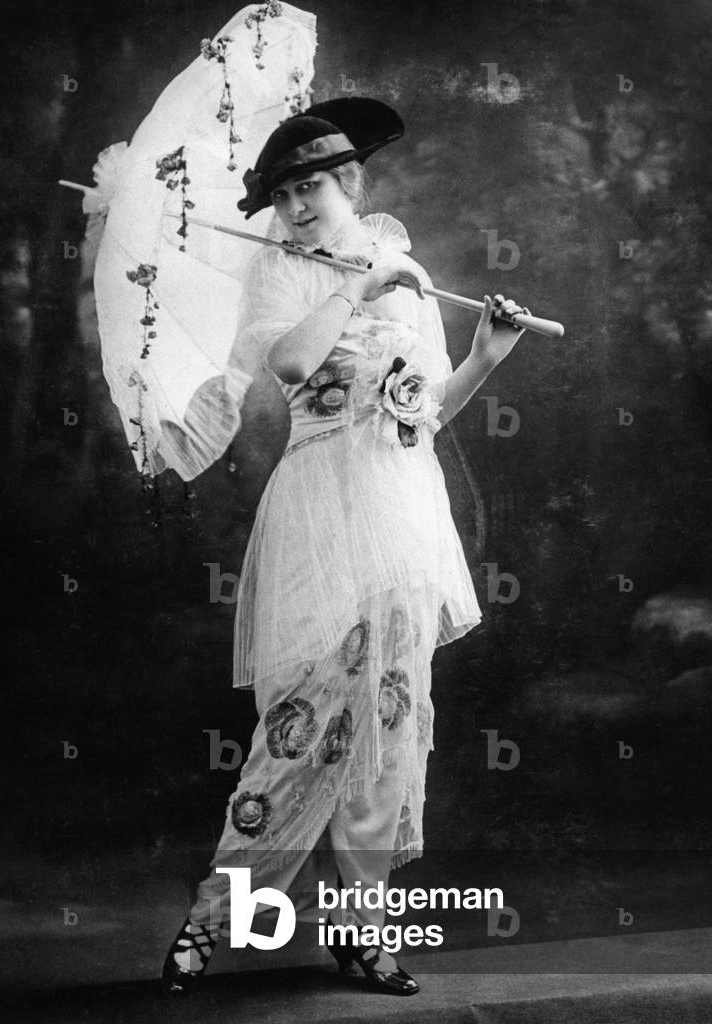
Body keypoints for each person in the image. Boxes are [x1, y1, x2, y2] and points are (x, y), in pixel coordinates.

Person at [160, 97, 528, 997]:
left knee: (389, 722)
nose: (296, 207)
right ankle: (215, 916)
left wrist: (486, 356)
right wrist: (354, 287)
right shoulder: (280, 271)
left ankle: (360, 932)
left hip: (401, 508)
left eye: (313, 187)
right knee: (306, 719)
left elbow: (424, 411)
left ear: (350, 183)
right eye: (283, 194)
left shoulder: (408, 269)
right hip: (321, 503)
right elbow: (292, 365)